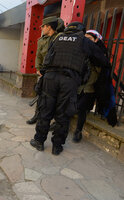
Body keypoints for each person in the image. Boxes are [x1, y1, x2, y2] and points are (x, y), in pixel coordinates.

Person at [30, 22, 110, 155]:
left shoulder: (57, 39)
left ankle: (39, 141)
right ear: (81, 31)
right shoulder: (84, 41)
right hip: (69, 80)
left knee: (45, 110)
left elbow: (47, 59)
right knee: (63, 113)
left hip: (50, 78)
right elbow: (102, 59)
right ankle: (57, 147)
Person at [27, 16, 64, 124]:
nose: (41, 28)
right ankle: (36, 116)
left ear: (49, 27)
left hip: (57, 73)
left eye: (43, 26)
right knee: (40, 95)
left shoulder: (60, 37)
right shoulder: (41, 40)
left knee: (56, 97)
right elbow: (38, 55)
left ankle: (55, 121)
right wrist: (38, 69)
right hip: (44, 73)